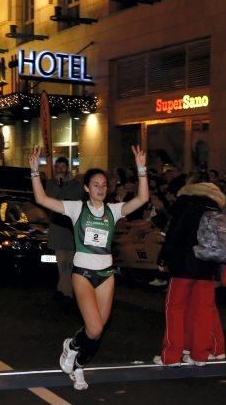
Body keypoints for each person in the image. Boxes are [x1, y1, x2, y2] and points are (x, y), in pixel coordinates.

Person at [29, 145, 149, 390]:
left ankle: (78, 364)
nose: (101, 189)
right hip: (82, 273)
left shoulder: (113, 211)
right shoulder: (76, 208)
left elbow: (142, 199)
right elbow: (42, 199)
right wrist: (34, 172)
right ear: (86, 188)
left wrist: (141, 169)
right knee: (93, 327)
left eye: (104, 185)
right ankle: (71, 346)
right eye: (96, 184)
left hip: (106, 275)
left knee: (97, 332)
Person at [155, 181, 226, 365]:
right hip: (207, 266)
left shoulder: (184, 203)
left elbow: (174, 232)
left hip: (183, 266)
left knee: (174, 309)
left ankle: (172, 355)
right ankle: (200, 355)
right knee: (203, 311)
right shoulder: (217, 207)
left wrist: (163, 258)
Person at [45, 156, 83, 299]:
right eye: (58, 167)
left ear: (67, 167)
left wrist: (64, 191)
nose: (60, 170)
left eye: (63, 167)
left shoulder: (76, 184)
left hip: (71, 227)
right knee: (61, 261)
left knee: (71, 262)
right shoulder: (50, 183)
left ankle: (62, 288)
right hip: (57, 227)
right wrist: (59, 186)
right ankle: (67, 291)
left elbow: (74, 199)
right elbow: (50, 199)